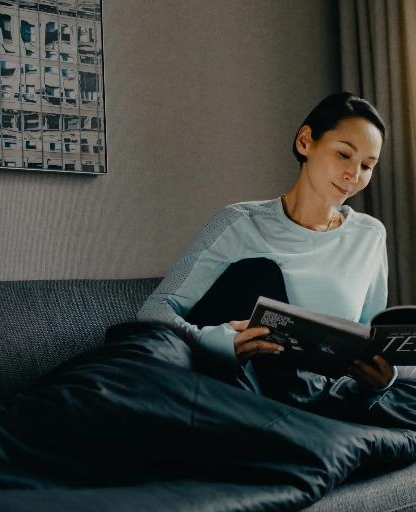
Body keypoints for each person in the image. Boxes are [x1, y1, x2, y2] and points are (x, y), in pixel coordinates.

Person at [137, 92, 396, 406]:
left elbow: (367, 340)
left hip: (320, 401)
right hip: (240, 390)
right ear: (305, 141)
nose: (354, 175)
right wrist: (221, 342)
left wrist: (377, 383)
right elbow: (155, 310)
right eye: (344, 155)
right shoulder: (240, 223)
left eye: (367, 166)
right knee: (258, 273)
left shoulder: (369, 236)